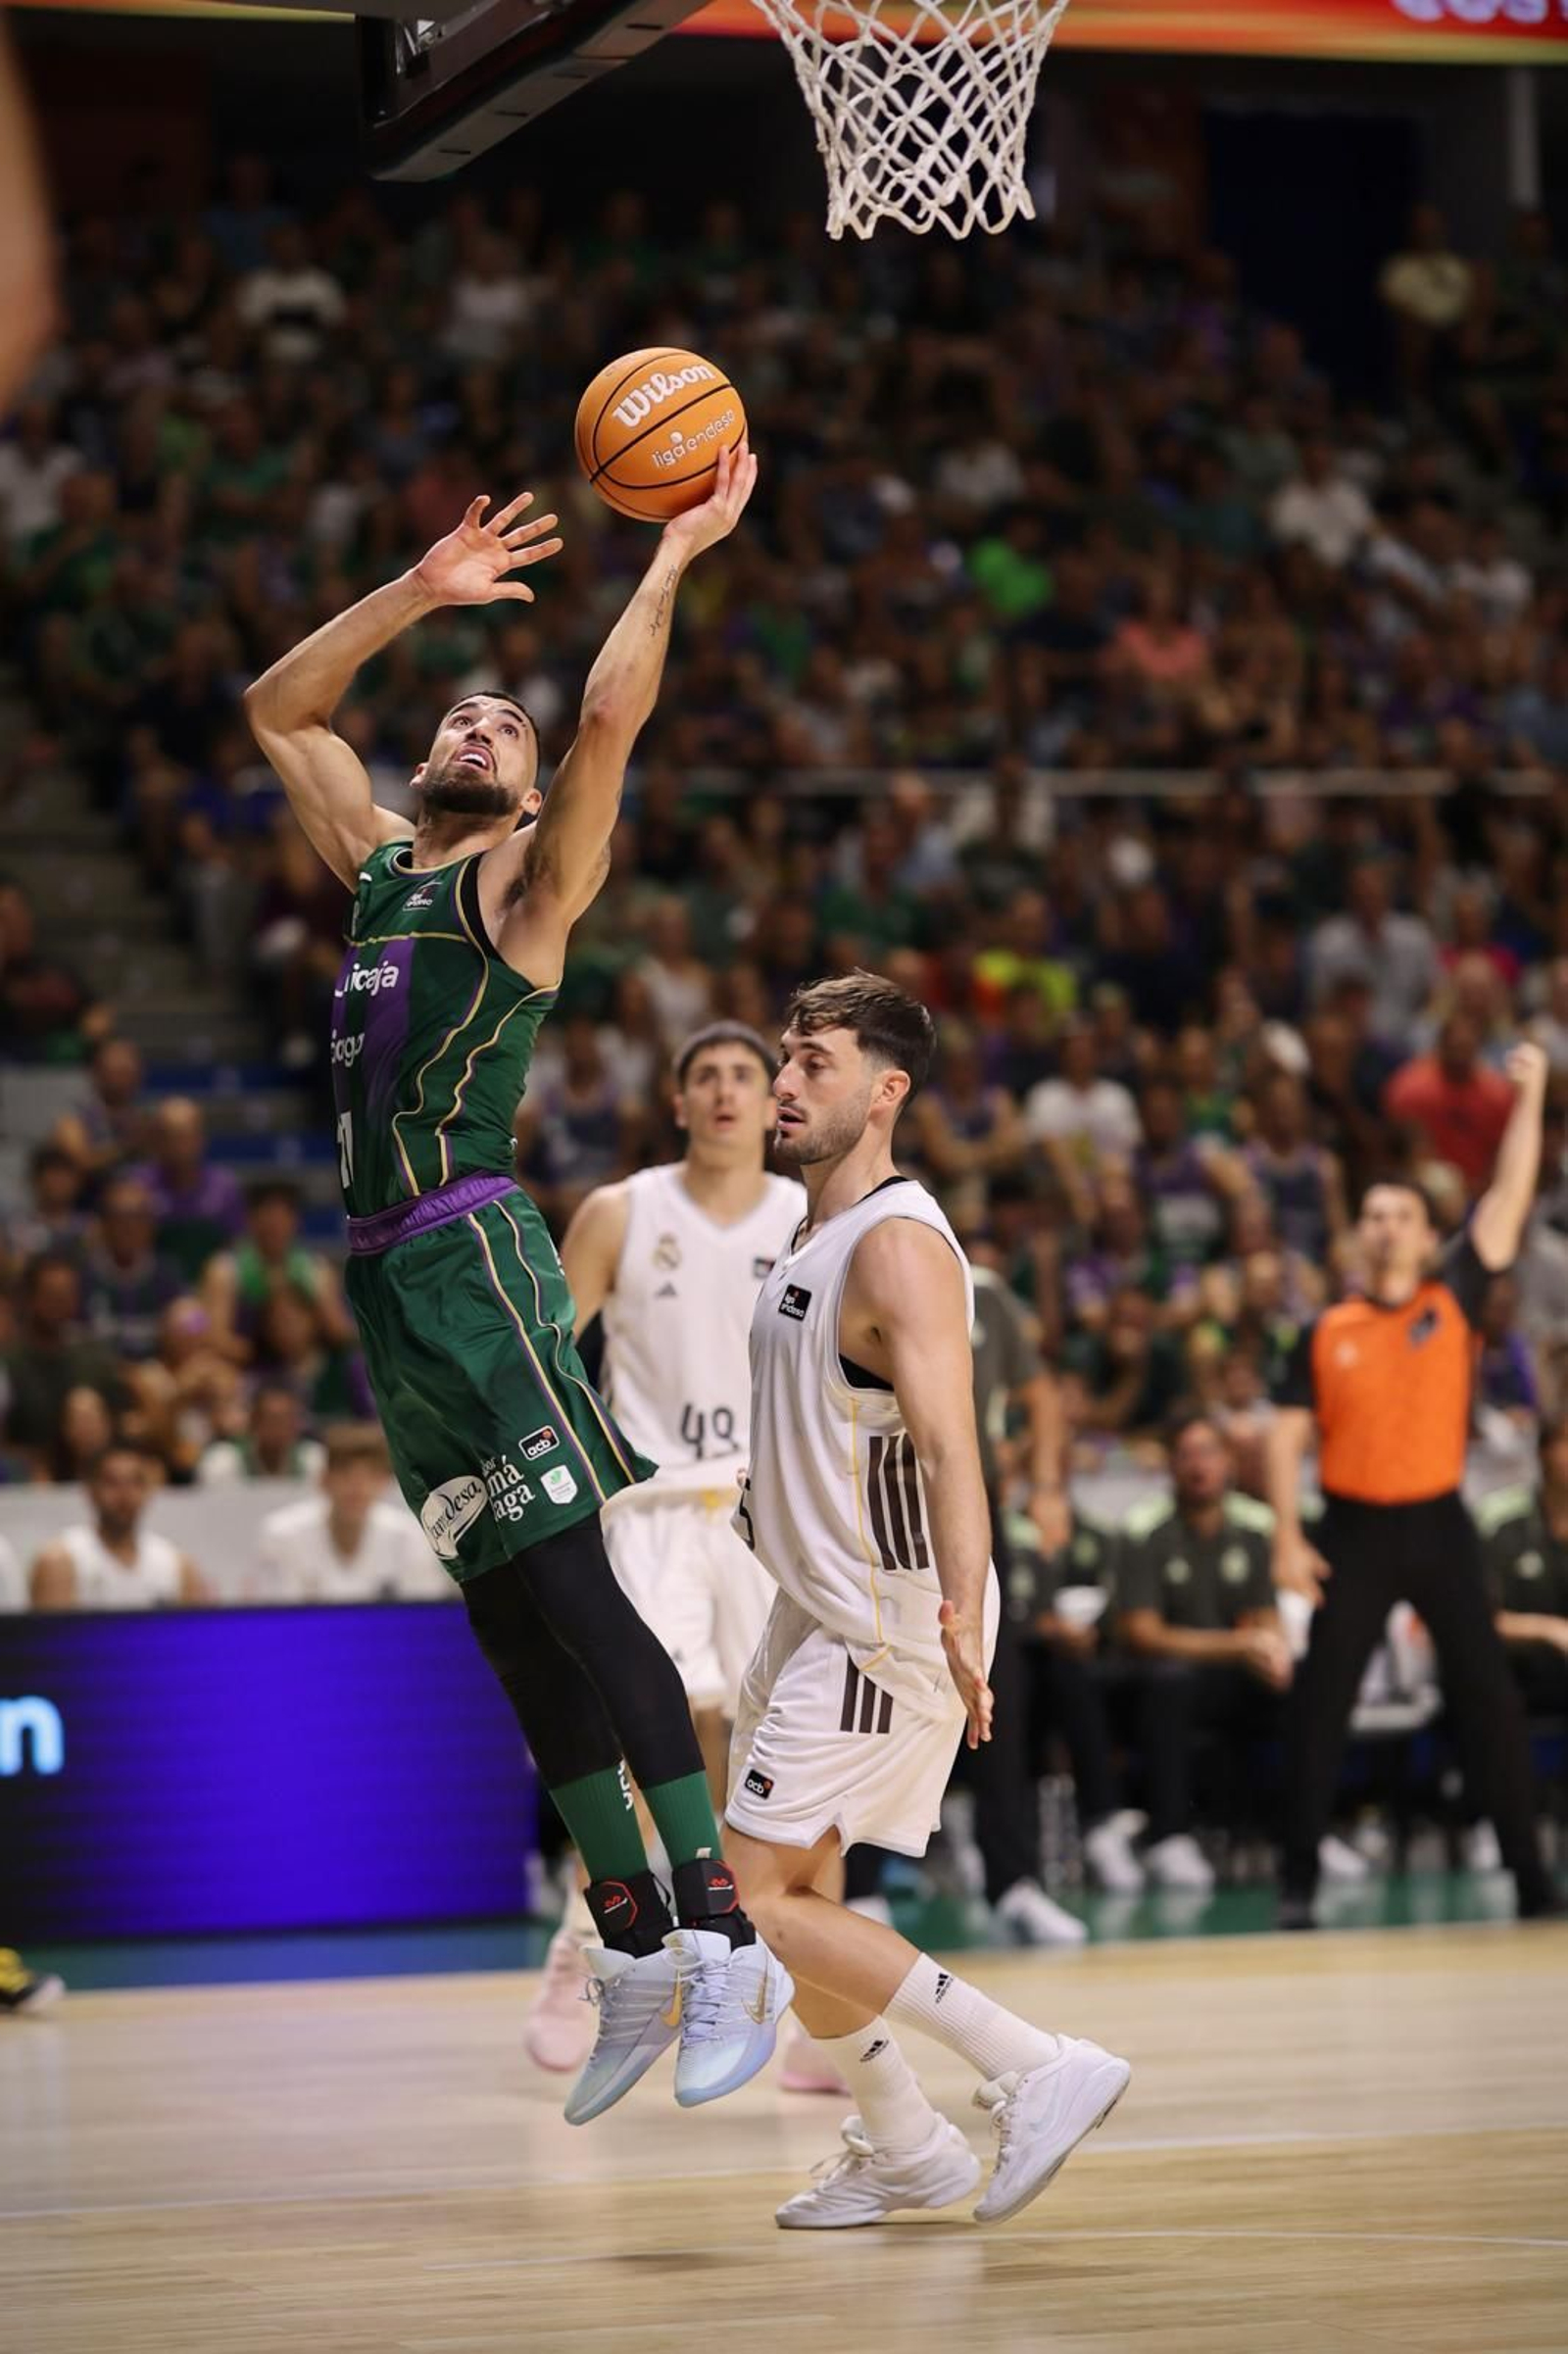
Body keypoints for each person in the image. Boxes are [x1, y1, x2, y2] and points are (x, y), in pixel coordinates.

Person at [244, 452, 792, 2125]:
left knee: (579, 1598)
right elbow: (280, 707)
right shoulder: (381, 872)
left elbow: (612, 717)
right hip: (388, 1295)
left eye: (509, 728)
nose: (480, 728)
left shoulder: (522, 891)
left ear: (540, 792)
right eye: (461, 717)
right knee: (506, 1624)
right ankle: (625, 1932)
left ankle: (722, 1936)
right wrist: (418, 592)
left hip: (478, 1260)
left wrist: (675, 555)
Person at [721, 971, 1129, 2231]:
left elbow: (954, 1445)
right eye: (784, 1058)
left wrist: (957, 1614)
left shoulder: (897, 1244)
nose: (785, 1082)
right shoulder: (810, 1232)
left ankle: (1031, 2062)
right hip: (816, 1604)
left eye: (816, 1063)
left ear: (887, 1092)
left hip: (884, 1615)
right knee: (805, 1900)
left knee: (750, 1897)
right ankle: (905, 2143)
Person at [521, 1020, 805, 2075]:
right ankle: (577, 1946)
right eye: (706, 1076)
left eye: (745, 1073)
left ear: (771, 1101)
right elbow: (539, 1351)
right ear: (677, 1100)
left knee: (759, 1752)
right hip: (648, 1507)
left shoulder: (810, 1214)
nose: (728, 1090)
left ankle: (750, 1969)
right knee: (653, 1740)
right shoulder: (620, 1210)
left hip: (767, 1511)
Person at [1268, 1043, 1560, 1928]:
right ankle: (1299, 1887)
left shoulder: (1456, 1297)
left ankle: (1533, 1883)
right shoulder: (1326, 1329)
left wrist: (1535, 1090)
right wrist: (1286, 1536)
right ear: (1360, 1235)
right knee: (1322, 1705)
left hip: (1439, 1525)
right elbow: (1285, 1436)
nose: (1388, 1225)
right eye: (1375, 1214)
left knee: (1490, 1701)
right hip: (1352, 1529)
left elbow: (1508, 1200)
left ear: (1428, 1235)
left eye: (1402, 1213)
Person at [1117, 1410, 1293, 1891]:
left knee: (1298, 1683)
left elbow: (1265, 1616)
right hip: (1161, 1679)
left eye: (1209, 1453)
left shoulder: (1255, 1527)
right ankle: (1169, 1835)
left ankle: (1298, 1830)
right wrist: (1240, 1645)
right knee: (1170, 1682)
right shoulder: (1144, 1529)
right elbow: (1144, 1633)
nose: (1199, 1466)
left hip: (1230, 1675)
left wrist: (1272, 1651)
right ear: (1172, 1466)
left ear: (1229, 1462)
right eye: (1187, 1455)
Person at [252, 1425, 449, 1602]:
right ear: (324, 1479)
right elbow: (277, 1618)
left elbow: (422, 1617)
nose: (357, 1487)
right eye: (345, 1473)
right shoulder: (282, 1534)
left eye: (369, 1475)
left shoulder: (412, 1537)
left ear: (384, 1482)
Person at [28, 1443, 207, 1608]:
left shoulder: (177, 1566)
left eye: (135, 1482)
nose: (125, 1494)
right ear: (90, 1490)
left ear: (148, 1491)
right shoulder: (61, 1561)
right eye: (112, 1482)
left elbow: (189, 1638)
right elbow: (50, 1639)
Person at [1476, 1416, 1568, 1723]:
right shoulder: (1501, 1522)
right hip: (1517, 1682)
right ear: (1543, 1452)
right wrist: (1549, 1630)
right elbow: (1477, 1620)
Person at [197, 1382, 326, 1485]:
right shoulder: (225, 1460)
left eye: (287, 1420)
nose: (279, 1429)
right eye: (272, 1420)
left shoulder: (312, 1459)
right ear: (254, 1423)